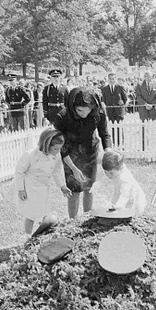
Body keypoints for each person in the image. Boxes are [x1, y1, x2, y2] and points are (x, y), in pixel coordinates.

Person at [54, 87, 112, 219]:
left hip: (90, 152)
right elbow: (60, 145)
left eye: (88, 110)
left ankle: (87, 218)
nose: (84, 114)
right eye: (79, 110)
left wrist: (108, 150)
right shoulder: (62, 117)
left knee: (88, 187)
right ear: (72, 106)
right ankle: (73, 221)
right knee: (74, 190)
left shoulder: (99, 113)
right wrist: (73, 168)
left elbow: (104, 134)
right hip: (70, 154)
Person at [12, 128, 72, 235]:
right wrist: (21, 190)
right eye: (55, 149)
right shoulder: (30, 155)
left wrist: (62, 186)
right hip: (30, 187)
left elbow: (57, 171)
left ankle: (43, 234)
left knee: (45, 212)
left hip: (44, 187)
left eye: (60, 149)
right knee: (31, 214)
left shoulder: (56, 156)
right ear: (46, 145)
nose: (58, 151)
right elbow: (19, 172)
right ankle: (28, 236)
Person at [101, 150, 146, 215]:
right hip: (126, 199)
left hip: (135, 201)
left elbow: (124, 196)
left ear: (120, 168)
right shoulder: (117, 172)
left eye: (111, 173)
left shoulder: (125, 180)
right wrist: (113, 204)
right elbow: (117, 191)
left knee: (131, 216)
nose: (108, 175)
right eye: (105, 172)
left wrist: (116, 207)